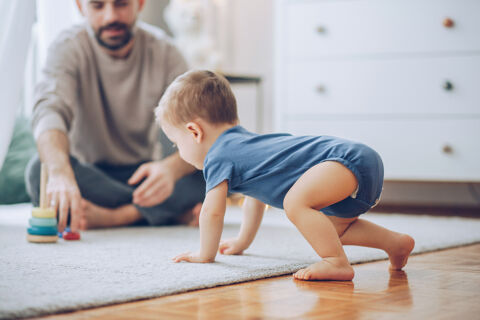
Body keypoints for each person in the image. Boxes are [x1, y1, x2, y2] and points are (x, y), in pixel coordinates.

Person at [156, 70, 415, 281]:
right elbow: (256, 199)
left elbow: (212, 212)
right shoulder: (244, 147)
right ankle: (396, 244)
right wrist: (242, 241)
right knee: (335, 230)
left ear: (194, 132)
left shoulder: (218, 155)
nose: (179, 151)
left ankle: (335, 262)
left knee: (295, 203)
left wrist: (205, 253)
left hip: (345, 161)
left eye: (176, 143)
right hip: (361, 163)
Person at [25, 0, 205, 233]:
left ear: (139, 3)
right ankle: (163, 212)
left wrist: (171, 169)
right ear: (81, 7)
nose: (110, 17)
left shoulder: (166, 51)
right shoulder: (67, 47)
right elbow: (49, 110)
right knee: (40, 169)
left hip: (145, 175)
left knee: (213, 167)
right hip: (89, 175)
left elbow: (201, 127)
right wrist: (60, 173)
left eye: (120, 4)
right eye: (98, 6)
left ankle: (118, 216)